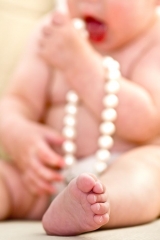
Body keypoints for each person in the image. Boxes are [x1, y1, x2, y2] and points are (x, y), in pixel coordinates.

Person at [1, 0, 160, 236]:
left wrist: (81, 64)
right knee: (5, 177)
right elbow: (19, 100)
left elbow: (147, 124)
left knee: (151, 170)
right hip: (45, 177)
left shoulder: (153, 41)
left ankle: (92, 206)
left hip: (120, 166)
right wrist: (19, 133)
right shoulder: (52, 33)